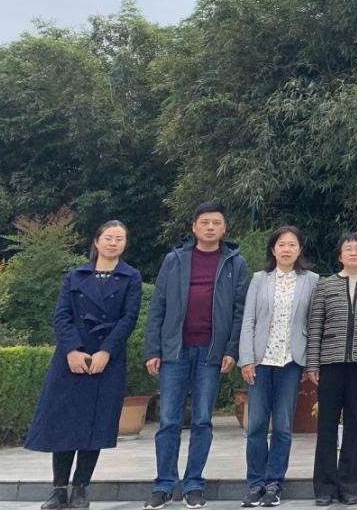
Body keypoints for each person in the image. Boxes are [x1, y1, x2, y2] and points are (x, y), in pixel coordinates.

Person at [25, 220, 142, 510]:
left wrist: (105, 352)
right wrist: (72, 350)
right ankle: (58, 489)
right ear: (97, 241)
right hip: (71, 358)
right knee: (65, 422)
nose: (113, 243)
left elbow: (129, 319)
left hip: (108, 359)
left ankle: (81, 488)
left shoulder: (131, 277)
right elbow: (61, 315)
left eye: (119, 239)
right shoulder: (75, 276)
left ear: (125, 244)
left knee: (95, 423)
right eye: (108, 238)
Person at [144, 202, 249, 510]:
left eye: (216, 222)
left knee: (202, 420)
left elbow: (240, 311)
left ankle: (193, 484)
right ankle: (164, 485)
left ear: (224, 228)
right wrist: (153, 349)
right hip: (175, 350)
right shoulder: (174, 259)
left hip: (211, 353)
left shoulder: (235, 263)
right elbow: (158, 306)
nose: (210, 227)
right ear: (194, 227)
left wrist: (231, 349)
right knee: (168, 420)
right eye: (205, 222)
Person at [238, 226, 320, 507]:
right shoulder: (260, 279)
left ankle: (274, 483)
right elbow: (248, 321)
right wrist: (246, 358)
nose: (286, 249)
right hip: (260, 362)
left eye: (292, 244)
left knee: (283, 426)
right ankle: (255, 483)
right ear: (273, 249)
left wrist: (311, 362)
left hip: (291, 362)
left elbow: (314, 324)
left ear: (299, 250)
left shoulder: (312, 281)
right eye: (281, 244)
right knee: (256, 425)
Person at [306, 233, 357, 506]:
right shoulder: (326, 285)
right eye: (348, 248)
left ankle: (349, 485)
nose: (353, 252)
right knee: (326, 423)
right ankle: (324, 487)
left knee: (354, 423)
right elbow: (316, 326)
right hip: (330, 362)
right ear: (340, 256)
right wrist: (313, 363)